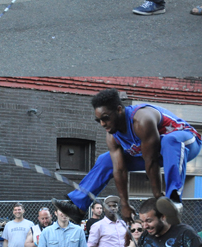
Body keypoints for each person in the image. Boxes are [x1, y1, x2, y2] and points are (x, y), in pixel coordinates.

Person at [56, 88, 202, 225]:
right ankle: (79, 206)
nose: (102, 124)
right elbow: (119, 170)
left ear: (119, 110)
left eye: (106, 118)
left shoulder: (142, 120)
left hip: (186, 142)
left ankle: (174, 201)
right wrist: (125, 204)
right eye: (99, 120)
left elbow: (151, 162)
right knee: (105, 160)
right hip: (156, 153)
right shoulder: (112, 136)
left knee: (170, 141)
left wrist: (158, 196)